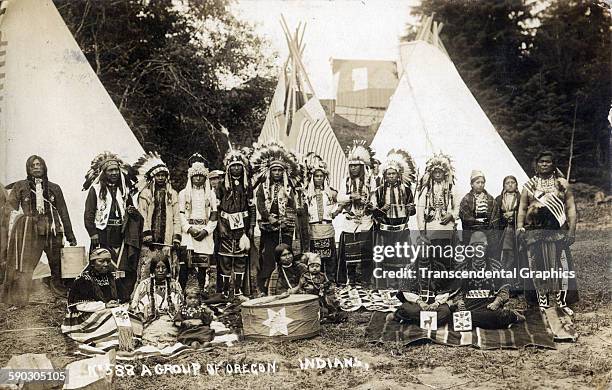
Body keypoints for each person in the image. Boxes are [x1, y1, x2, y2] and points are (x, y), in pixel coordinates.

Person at [2, 155, 77, 305]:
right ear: (28, 169)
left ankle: (59, 296)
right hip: (31, 232)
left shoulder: (54, 188)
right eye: (33, 165)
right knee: (26, 265)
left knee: (56, 265)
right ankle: (20, 299)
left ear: (44, 167)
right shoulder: (20, 186)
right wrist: (21, 218)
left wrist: (70, 235)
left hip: (53, 231)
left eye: (39, 164)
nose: (36, 167)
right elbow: (10, 207)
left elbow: (63, 211)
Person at [516, 151, 578, 314]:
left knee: (560, 266)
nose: (544, 164)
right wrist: (519, 226)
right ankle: (542, 302)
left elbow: (571, 208)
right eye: (541, 161)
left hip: (557, 232)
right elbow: (522, 208)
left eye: (548, 162)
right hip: (534, 233)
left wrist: (571, 230)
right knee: (537, 267)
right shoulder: (529, 185)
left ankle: (561, 302)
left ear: (553, 164)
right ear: (536, 165)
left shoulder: (562, 184)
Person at [83, 152, 143, 300]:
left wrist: (132, 211)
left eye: (116, 170)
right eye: (110, 170)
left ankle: (124, 296)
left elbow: (131, 210)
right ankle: (103, 296)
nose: (114, 173)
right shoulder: (95, 190)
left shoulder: (125, 189)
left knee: (124, 265)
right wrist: (93, 233)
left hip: (122, 232)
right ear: (104, 172)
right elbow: (89, 214)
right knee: (103, 263)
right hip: (103, 231)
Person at [62, 248, 142, 352]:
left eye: (108, 261)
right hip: (87, 314)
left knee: (132, 318)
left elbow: (124, 299)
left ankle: (127, 339)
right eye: (101, 261)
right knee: (111, 319)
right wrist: (105, 306)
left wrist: (118, 305)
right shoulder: (83, 279)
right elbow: (79, 305)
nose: (105, 264)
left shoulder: (113, 277)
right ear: (92, 263)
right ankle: (114, 342)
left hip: (111, 310)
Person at [251, 141, 302, 294]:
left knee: (285, 254)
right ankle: (265, 286)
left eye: (280, 170)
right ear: (270, 172)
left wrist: (286, 218)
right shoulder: (263, 187)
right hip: (268, 227)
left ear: (284, 172)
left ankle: (286, 283)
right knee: (268, 255)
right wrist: (268, 217)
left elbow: (294, 205)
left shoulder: (289, 187)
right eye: (274, 171)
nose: (277, 173)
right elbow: (260, 203)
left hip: (285, 227)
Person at [453, 232, 525, 329]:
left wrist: (497, 302)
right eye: (475, 245)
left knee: (497, 315)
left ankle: (511, 316)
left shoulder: (495, 266)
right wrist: (459, 302)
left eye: (481, 245)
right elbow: (456, 291)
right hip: (469, 305)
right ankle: (503, 320)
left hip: (489, 305)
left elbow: (504, 288)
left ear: (486, 247)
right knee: (459, 317)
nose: (479, 249)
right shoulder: (462, 268)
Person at [371, 149, 417, 289]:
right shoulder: (379, 191)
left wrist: (410, 209)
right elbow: (373, 212)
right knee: (387, 259)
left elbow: (412, 211)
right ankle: (389, 286)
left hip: (402, 230)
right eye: (388, 174)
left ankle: (402, 285)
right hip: (385, 231)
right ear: (384, 175)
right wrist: (381, 210)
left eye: (393, 173)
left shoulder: (407, 190)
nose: (391, 176)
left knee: (402, 259)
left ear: (398, 175)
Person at [134, 152, 181, 281]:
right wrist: (146, 233)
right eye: (158, 175)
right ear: (152, 177)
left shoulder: (172, 194)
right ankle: (144, 291)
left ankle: (169, 292)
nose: (161, 178)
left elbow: (176, 217)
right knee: (148, 265)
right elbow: (142, 214)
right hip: (150, 240)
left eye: (163, 175)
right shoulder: (146, 193)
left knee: (166, 266)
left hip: (167, 239)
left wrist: (176, 237)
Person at [416, 153, 459, 290]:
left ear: (445, 173)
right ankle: (433, 285)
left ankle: (446, 286)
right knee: (433, 257)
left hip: (447, 229)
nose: (438, 175)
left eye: (440, 172)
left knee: (447, 256)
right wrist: (422, 231)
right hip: (431, 229)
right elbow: (420, 210)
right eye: (435, 172)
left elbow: (458, 206)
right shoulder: (426, 189)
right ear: (431, 173)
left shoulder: (452, 188)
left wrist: (451, 215)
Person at [216, 148, 254, 297]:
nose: (236, 168)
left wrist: (251, 226)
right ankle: (225, 291)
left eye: (239, 165)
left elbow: (252, 208)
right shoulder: (221, 185)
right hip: (225, 225)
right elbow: (216, 208)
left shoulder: (247, 185)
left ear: (243, 167)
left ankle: (238, 291)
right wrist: (220, 225)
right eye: (233, 166)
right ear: (228, 168)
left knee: (240, 259)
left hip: (242, 228)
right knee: (225, 258)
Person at [336, 140, 375, 286]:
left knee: (365, 251)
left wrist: (368, 204)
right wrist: (351, 197)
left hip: (365, 219)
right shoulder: (345, 180)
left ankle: (365, 279)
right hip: (350, 221)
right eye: (351, 166)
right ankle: (351, 279)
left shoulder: (370, 180)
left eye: (356, 166)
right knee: (350, 251)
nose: (353, 169)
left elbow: (374, 199)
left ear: (361, 167)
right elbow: (340, 197)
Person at [178, 161, 218, 294]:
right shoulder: (184, 193)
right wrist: (189, 229)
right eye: (195, 176)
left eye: (201, 176)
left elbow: (214, 214)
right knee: (186, 264)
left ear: (205, 178)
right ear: (191, 177)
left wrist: (206, 231)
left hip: (205, 233)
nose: (198, 178)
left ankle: (201, 290)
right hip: (189, 233)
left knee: (202, 265)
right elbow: (181, 214)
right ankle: (185, 292)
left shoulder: (211, 194)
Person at [130, 252, 183, 346]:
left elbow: (180, 306)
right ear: (152, 269)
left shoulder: (174, 285)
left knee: (167, 332)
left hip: (169, 319)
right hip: (149, 320)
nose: (161, 270)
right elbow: (135, 305)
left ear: (168, 269)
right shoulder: (144, 285)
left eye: (164, 267)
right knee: (151, 333)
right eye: (157, 267)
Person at [303, 154, 339, 282]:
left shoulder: (330, 193)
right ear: (312, 177)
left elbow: (341, 203)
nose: (319, 178)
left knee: (330, 256)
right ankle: (317, 279)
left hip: (327, 227)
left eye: (321, 176)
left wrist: (335, 212)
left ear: (325, 177)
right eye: (316, 176)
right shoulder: (307, 193)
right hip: (314, 228)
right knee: (316, 256)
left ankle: (330, 279)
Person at [490, 176, 523, 293]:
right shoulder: (498, 199)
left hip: (517, 232)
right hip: (503, 233)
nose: (510, 185)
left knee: (517, 258)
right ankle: (504, 285)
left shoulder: (521, 198)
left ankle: (517, 285)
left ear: (516, 184)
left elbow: (524, 212)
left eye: (512, 182)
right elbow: (494, 217)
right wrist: (503, 217)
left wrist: (514, 216)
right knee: (504, 258)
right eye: (507, 183)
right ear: (503, 185)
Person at [294, 252, 346, 323]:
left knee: (326, 307)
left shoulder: (322, 275)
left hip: (321, 297)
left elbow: (328, 284)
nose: (315, 268)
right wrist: (304, 292)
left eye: (317, 266)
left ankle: (328, 315)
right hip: (308, 297)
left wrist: (324, 286)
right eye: (312, 266)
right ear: (308, 267)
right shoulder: (305, 276)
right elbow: (300, 287)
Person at [459, 170, 495, 245]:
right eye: (477, 182)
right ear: (472, 184)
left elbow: (495, 216)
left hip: (488, 230)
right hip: (471, 230)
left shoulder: (490, 199)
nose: (480, 185)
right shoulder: (466, 199)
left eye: (482, 182)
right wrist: (478, 224)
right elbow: (465, 217)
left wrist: (489, 226)